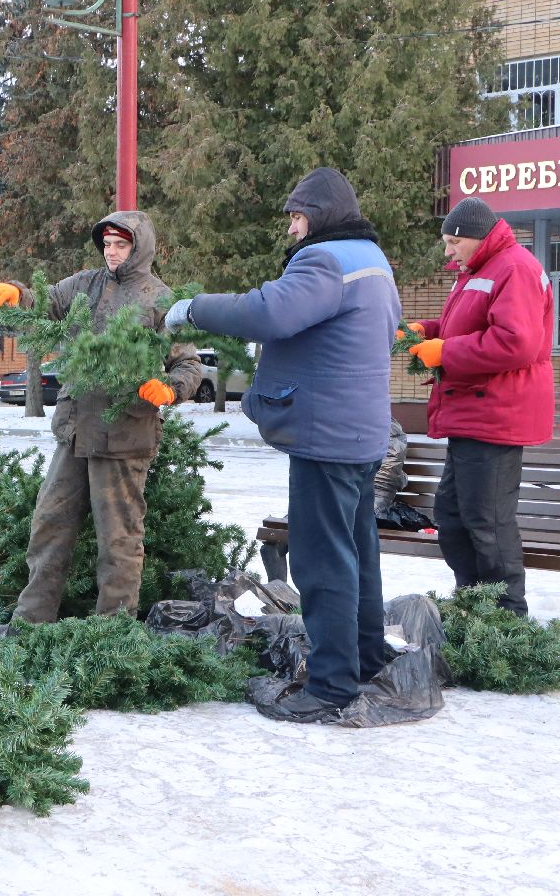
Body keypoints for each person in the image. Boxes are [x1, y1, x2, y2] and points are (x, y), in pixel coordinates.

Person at [166, 167, 399, 723]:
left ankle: (330, 685)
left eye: (296, 216)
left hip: (327, 435)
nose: (291, 229)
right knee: (358, 552)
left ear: (317, 215)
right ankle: (366, 657)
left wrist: (196, 308)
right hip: (362, 432)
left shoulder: (326, 261)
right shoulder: (373, 261)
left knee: (321, 561)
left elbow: (269, 311)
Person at [0, 211, 204, 624]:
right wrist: (17, 293)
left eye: (121, 245)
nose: (112, 253)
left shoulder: (160, 299)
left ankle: (110, 636)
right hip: (75, 431)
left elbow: (189, 363)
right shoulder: (84, 284)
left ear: (139, 248)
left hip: (124, 437)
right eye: (107, 245)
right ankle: (30, 623)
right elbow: (45, 303)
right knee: (48, 526)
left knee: (118, 541)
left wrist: (170, 389)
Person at [406, 195, 553, 618]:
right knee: (452, 519)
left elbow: (516, 342)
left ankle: (507, 620)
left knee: (486, 523)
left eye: (453, 242)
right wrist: (427, 331)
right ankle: (474, 607)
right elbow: (467, 326)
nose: (447, 252)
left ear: (476, 237)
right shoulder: (480, 270)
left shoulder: (514, 268)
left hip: (496, 416)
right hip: (473, 416)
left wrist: (445, 352)